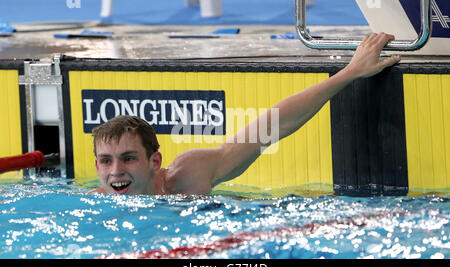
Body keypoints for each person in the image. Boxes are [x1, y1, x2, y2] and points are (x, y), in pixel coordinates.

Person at [89, 33, 401, 195]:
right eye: (106, 160)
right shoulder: (93, 204)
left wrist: (350, 72)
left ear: (154, 161)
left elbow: (270, 127)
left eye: (128, 157)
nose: (116, 170)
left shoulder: (187, 177)